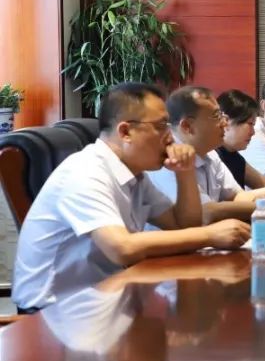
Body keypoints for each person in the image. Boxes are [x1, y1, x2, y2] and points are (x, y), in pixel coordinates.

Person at [12, 83, 250, 312]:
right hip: (53, 311)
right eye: (161, 126)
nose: (170, 137)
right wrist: (210, 235)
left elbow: (183, 224)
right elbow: (122, 247)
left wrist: (185, 172)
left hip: (105, 297)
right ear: (125, 131)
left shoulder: (136, 175)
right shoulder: (85, 172)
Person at [146, 86, 265, 221]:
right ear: (187, 126)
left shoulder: (210, 153)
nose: (224, 123)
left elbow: (237, 197)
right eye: (216, 116)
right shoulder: (168, 160)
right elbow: (204, 213)